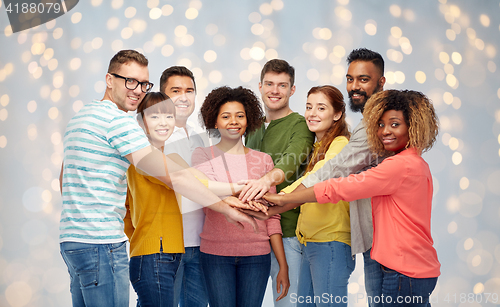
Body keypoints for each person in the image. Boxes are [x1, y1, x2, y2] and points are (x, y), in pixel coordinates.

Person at [59, 50, 257, 307]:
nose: (137, 90)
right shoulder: (119, 122)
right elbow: (173, 177)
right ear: (109, 80)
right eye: (130, 81)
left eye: (143, 83)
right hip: (102, 243)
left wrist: (231, 190)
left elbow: (64, 178)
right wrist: (225, 207)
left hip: (73, 241)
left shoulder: (82, 116)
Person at [263, 89, 441, 307]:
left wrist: (283, 199)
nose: (385, 131)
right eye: (381, 124)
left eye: (395, 124)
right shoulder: (416, 164)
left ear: (412, 127)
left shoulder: (398, 166)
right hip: (414, 267)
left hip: (403, 270)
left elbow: (340, 187)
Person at [291, 48, 387, 306]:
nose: (354, 86)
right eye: (350, 79)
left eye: (363, 79)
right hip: (319, 241)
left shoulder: (363, 132)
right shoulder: (322, 144)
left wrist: (281, 198)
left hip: (339, 240)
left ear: (381, 82)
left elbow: (332, 172)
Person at [192, 86, 289, 307]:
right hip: (216, 255)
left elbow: (272, 217)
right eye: (225, 116)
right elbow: (205, 193)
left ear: (248, 121)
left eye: (240, 116)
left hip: (257, 256)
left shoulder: (264, 160)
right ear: (214, 121)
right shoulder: (202, 155)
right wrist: (241, 193)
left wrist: (282, 265)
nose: (233, 121)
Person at [242, 59, 315, 306]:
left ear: (292, 90)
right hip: (251, 234)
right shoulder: (251, 127)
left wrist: (265, 181)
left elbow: (291, 161)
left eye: (282, 85)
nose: (275, 90)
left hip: (287, 232)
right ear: (260, 86)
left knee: (288, 302)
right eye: (270, 84)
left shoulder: (301, 125)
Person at [284, 85, 354, 306]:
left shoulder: (341, 144)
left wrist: (280, 198)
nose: (312, 113)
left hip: (330, 242)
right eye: (308, 107)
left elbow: (319, 176)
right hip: (311, 242)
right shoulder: (317, 147)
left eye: (321, 108)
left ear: (337, 114)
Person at [159, 66, 209, 307]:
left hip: (199, 244)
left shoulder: (200, 137)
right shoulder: (153, 136)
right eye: (175, 90)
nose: (183, 96)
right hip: (168, 246)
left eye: (189, 90)